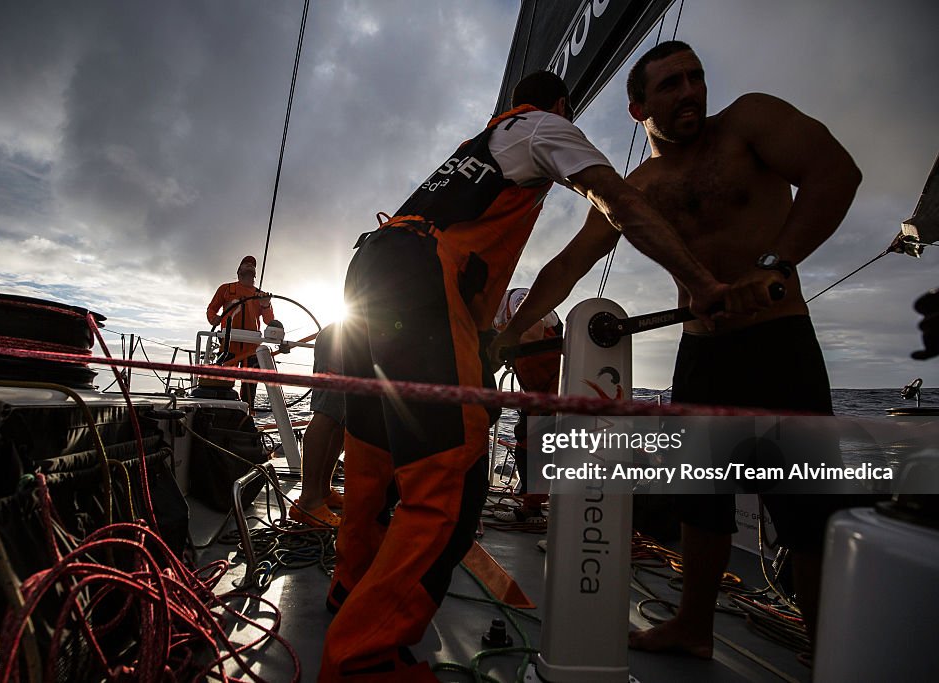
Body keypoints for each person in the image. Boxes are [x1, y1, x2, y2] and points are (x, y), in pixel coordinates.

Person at [321, 70, 729, 682]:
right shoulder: (545, 127)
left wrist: (498, 337)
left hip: (372, 268)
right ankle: (363, 661)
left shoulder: (477, 149)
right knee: (450, 480)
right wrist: (701, 281)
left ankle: (348, 593)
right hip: (424, 282)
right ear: (562, 104)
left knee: (373, 454)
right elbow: (615, 200)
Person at [491, 41, 862, 661]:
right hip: (703, 353)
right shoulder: (639, 189)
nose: (689, 91)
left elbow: (835, 173)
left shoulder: (751, 122)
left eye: (695, 78)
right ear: (638, 108)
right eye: (669, 85)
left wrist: (776, 264)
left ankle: (826, 650)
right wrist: (507, 336)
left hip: (779, 341)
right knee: (702, 497)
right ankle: (692, 626)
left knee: (805, 503)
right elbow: (568, 266)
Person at [492, 287, 562, 524]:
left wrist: (501, 346)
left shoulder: (518, 299)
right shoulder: (497, 318)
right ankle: (530, 507)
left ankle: (536, 510)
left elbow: (532, 333)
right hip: (536, 391)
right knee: (525, 441)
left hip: (556, 388)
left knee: (540, 446)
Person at [289, 323, 346, 528]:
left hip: (358, 336)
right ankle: (309, 502)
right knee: (328, 412)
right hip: (345, 338)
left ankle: (323, 491)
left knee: (342, 418)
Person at [205, 255, 275, 410]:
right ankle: (220, 413)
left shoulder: (260, 295)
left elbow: (269, 321)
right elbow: (211, 309)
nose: (250, 265)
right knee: (223, 384)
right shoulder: (226, 289)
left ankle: (247, 417)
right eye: (246, 264)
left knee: (250, 389)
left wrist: (265, 305)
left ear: (255, 273)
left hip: (251, 348)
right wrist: (214, 319)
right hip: (228, 344)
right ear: (238, 271)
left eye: (252, 265)